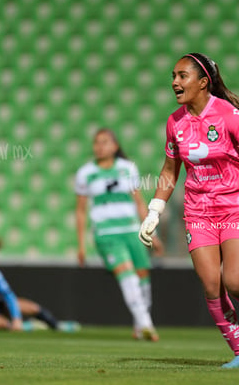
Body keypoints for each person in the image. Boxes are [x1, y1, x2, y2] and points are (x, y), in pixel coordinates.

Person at [139, 53, 239, 368]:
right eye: (173, 76)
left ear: (203, 81)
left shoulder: (228, 115)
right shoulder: (175, 122)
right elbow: (170, 171)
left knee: (235, 283)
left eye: (182, 76)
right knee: (211, 284)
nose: (175, 82)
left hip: (236, 204)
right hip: (198, 211)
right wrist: (155, 210)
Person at [75, 128, 163, 341]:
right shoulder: (85, 173)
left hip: (132, 231)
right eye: (97, 142)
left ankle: (138, 326)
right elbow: (80, 210)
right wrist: (81, 245)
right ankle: (146, 325)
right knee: (127, 273)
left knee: (142, 275)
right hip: (106, 233)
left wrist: (153, 233)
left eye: (105, 142)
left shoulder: (127, 169)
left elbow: (140, 202)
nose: (100, 146)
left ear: (115, 146)